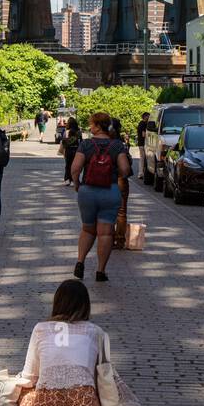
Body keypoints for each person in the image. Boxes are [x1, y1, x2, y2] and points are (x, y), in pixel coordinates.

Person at [17, 279, 106, 406]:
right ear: (85, 306)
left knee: (24, 391)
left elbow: (29, 378)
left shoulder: (40, 329)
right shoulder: (96, 331)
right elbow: (103, 378)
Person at [70, 112, 131, 283]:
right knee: (105, 233)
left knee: (87, 229)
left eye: (91, 124)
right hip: (109, 191)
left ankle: (80, 261)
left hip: (87, 192)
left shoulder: (86, 144)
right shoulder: (117, 145)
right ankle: (100, 271)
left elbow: (75, 169)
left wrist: (77, 184)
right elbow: (125, 170)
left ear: (97, 126)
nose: (90, 127)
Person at [108, 117, 133, 250]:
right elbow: (127, 165)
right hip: (121, 179)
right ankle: (120, 240)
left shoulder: (105, 143)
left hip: (108, 179)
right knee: (121, 212)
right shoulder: (122, 144)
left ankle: (109, 239)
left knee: (108, 211)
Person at [61, 117, 81, 186]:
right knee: (75, 165)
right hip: (76, 150)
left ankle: (67, 179)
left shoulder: (66, 131)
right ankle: (73, 180)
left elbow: (63, 142)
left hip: (68, 150)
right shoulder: (79, 132)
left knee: (68, 165)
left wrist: (63, 151)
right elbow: (80, 142)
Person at [135, 111, 150, 179]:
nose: (149, 118)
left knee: (142, 158)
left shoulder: (140, 123)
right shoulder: (143, 124)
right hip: (143, 144)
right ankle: (141, 173)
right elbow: (143, 134)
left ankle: (141, 173)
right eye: (148, 116)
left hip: (141, 143)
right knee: (142, 158)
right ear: (145, 117)